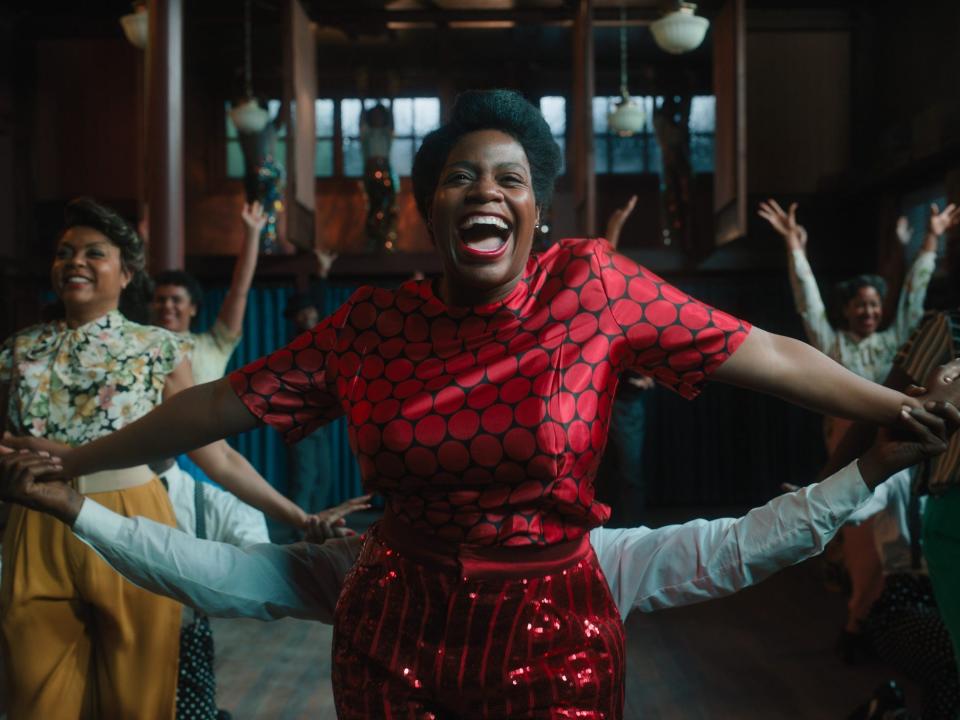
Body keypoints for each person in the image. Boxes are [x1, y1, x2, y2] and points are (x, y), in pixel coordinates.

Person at [8, 91, 960, 719]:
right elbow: (218, 407)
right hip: (391, 630)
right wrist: (76, 467)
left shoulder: (594, 287)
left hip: (561, 631)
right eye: (460, 176)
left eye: (510, 177)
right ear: (431, 210)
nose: (485, 190)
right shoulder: (374, 324)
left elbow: (769, 356)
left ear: (536, 211)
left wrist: (893, 410)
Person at [0, 199, 346, 719]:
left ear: (127, 271)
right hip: (36, 521)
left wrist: (297, 518)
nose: (75, 262)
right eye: (65, 253)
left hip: (133, 514)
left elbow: (218, 457)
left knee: (138, 697)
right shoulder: (19, 349)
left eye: (95, 253)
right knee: (35, 697)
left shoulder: (158, 348)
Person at [842, 470, 960, 719]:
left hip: (944, 603)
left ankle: (888, 713)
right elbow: (861, 506)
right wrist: (818, 507)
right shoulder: (901, 474)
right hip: (904, 605)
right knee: (951, 649)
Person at [151, 201, 265, 385]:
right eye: (160, 300)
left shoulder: (214, 344)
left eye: (176, 300)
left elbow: (239, 291)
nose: (167, 306)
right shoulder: (139, 344)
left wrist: (252, 234)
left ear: (193, 308)